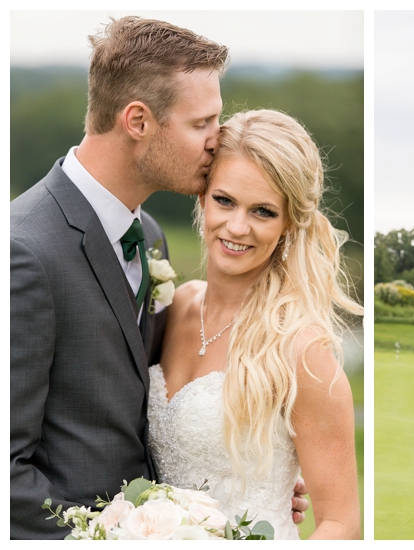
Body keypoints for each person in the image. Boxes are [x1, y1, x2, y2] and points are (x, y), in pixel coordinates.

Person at [9, 17, 307, 539]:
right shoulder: (23, 251)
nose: (218, 141)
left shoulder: (147, 236)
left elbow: (138, 405)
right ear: (139, 121)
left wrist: (255, 472)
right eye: (202, 124)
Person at [147, 109, 361, 539]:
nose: (237, 227)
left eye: (262, 211)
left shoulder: (300, 351)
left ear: (287, 225)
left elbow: (342, 523)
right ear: (202, 197)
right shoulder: (175, 307)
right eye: (224, 200)